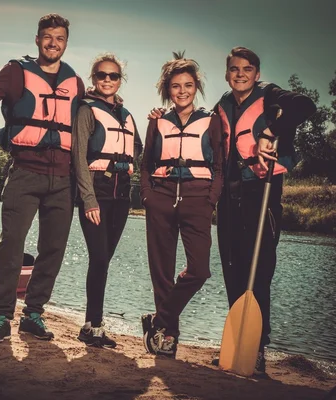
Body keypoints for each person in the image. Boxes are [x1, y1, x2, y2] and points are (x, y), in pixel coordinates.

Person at [148, 47, 317, 373]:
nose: (241, 74)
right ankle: (237, 342)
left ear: (256, 72)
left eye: (247, 69)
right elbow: (194, 130)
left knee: (259, 271)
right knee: (232, 269)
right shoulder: (221, 106)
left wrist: (272, 131)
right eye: (234, 69)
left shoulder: (271, 96)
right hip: (228, 198)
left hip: (261, 193)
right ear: (227, 74)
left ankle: (257, 348)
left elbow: (305, 105)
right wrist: (160, 116)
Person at [0, 14, 85, 344]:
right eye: (47, 37)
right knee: (11, 243)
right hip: (25, 174)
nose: (53, 43)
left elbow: (88, 125)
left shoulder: (76, 83)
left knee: (53, 249)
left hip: (63, 179)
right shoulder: (16, 71)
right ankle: (1, 316)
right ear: (37, 39)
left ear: (66, 43)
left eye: (59, 38)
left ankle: (33, 314)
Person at [140, 52, 224, 358]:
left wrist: (211, 198)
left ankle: (158, 320)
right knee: (161, 271)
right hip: (160, 198)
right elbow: (146, 163)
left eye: (188, 85)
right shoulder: (157, 121)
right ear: (167, 90)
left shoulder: (211, 121)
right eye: (176, 86)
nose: (182, 91)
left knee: (200, 269)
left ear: (196, 86)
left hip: (198, 199)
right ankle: (168, 335)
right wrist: (147, 195)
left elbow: (219, 165)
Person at [72, 53, 142, 348]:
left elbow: (137, 147)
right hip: (97, 194)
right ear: (94, 78)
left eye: (114, 76)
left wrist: (127, 165)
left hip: (121, 197)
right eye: (102, 75)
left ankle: (93, 323)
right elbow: (78, 156)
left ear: (120, 80)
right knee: (99, 258)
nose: (108, 80)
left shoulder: (127, 115)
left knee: (104, 261)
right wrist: (88, 199)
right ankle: (93, 324)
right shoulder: (87, 111)